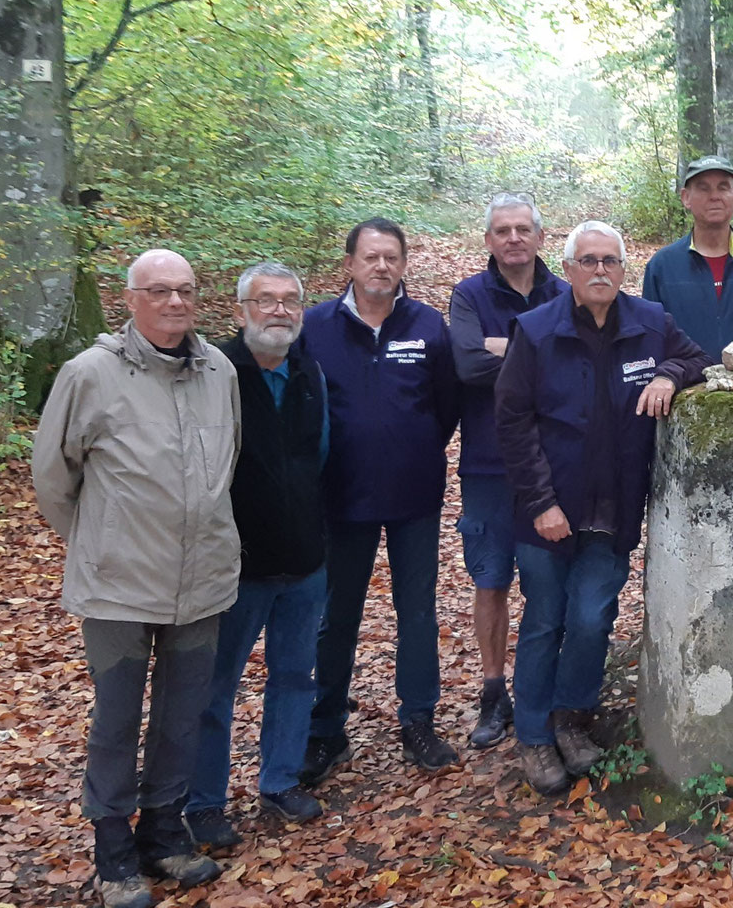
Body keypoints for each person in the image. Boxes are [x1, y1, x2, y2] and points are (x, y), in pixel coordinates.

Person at [33, 249, 237, 908]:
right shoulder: (88, 374)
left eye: (184, 290)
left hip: (200, 579)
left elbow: (224, 465)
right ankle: (113, 849)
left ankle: (163, 834)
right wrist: (99, 542)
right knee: (117, 720)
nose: (174, 303)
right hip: (119, 583)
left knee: (182, 717)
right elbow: (52, 477)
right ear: (130, 299)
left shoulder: (219, 370)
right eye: (158, 291)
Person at [496, 221, 710, 793]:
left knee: (592, 619)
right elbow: (513, 423)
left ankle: (573, 719)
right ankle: (535, 736)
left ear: (623, 268)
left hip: (612, 507)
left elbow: (696, 359)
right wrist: (540, 501)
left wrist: (667, 373)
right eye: (587, 261)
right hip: (548, 512)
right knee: (546, 621)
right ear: (567, 270)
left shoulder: (649, 323)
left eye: (610, 261)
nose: (599, 271)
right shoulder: (536, 331)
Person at [297, 218, 461, 784]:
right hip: (340, 497)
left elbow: (445, 406)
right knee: (335, 616)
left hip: (414, 494)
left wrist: (410, 446)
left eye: (391, 257)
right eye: (371, 257)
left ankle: (418, 719)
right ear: (349, 264)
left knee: (417, 612)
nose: (381, 267)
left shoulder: (426, 325)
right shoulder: (315, 327)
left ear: (403, 265)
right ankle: (325, 730)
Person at [186, 263, 329, 854]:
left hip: (304, 560)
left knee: (295, 678)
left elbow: (319, 456)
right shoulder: (215, 372)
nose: (279, 311)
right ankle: (203, 803)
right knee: (213, 687)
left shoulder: (308, 370)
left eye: (290, 300)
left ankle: (280, 780)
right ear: (242, 308)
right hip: (234, 566)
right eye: (265, 300)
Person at [447, 194, 565, 749]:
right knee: (491, 580)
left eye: (523, 229)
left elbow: (573, 370)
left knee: (548, 586)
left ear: (541, 237)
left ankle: (545, 692)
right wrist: (533, 350)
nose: (514, 238)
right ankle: (493, 695)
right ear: (489, 240)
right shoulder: (470, 294)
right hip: (489, 465)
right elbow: (467, 365)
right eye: (502, 230)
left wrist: (503, 347)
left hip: (554, 464)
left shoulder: (563, 292)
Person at [643, 154, 733, 352]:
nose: (714, 196)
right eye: (703, 188)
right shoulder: (662, 267)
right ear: (686, 197)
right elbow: (651, 336)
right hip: (684, 381)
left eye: (723, 187)